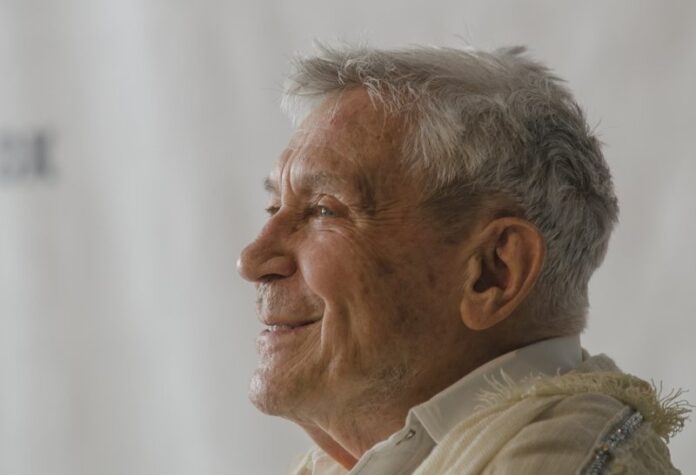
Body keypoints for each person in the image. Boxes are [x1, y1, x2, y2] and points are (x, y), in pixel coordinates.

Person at [237, 44, 690, 474]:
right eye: (274, 207)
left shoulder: (558, 460)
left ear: (493, 272)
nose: (252, 260)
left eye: (324, 210)